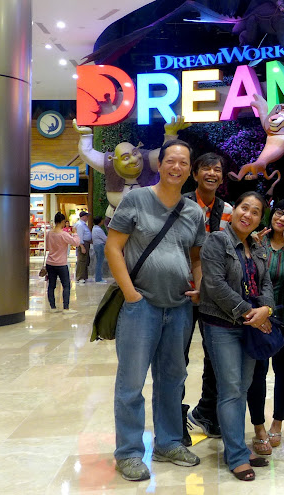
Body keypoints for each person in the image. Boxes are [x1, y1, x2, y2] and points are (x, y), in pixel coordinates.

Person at [106, 140, 206, 482]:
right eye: (171, 161)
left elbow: (196, 257)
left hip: (179, 307)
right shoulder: (136, 199)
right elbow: (113, 247)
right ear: (160, 165)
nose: (176, 167)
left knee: (172, 380)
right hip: (141, 306)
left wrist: (198, 287)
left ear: (189, 170)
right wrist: (131, 294)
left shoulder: (193, 212)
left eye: (183, 162)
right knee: (131, 383)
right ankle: (129, 452)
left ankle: (168, 443)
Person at [198, 191, 275, 481]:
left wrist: (266, 309)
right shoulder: (217, 241)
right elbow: (214, 285)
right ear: (235, 210)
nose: (248, 215)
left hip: (250, 326)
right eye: (245, 208)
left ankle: (238, 447)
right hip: (222, 325)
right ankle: (237, 456)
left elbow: (266, 282)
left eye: (255, 212)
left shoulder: (256, 246)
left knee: (242, 388)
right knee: (230, 390)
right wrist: (249, 312)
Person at [183, 152, 233, 444]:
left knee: (215, 357)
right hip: (180, 291)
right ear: (195, 174)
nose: (212, 173)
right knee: (177, 357)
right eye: (206, 169)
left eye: (217, 169)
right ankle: (175, 420)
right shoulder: (181, 205)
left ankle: (207, 411)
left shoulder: (227, 210)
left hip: (214, 295)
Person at [247, 198, 284, 455]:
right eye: (280, 212)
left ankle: (277, 423)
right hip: (257, 318)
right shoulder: (257, 241)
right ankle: (259, 427)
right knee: (257, 374)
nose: (283, 219)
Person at [45, 212, 80, 314]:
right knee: (66, 285)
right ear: (63, 221)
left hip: (50, 262)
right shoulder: (63, 234)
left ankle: (52, 307)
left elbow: (47, 247)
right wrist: (75, 233)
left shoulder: (49, 233)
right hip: (61, 263)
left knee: (51, 285)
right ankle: (66, 308)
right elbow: (76, 243)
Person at [75, 210, 92, 284]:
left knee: (85, 260)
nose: (87, 218)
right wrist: (82, 246)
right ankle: (80, 277)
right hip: (83, 243)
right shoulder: (80, 225)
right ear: (83, 217)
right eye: (86, 216)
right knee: (81, 260)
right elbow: (79, 236)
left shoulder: (83, 224)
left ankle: (84, 276)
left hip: (86, 243)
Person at [92, 216, 108, 284]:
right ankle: (98, 279)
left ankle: (98, 278)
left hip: (96, 245)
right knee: (100, 262)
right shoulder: (99, 230)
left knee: (98, 262)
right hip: (100, 246)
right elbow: (105, 239)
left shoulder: (94, 228)